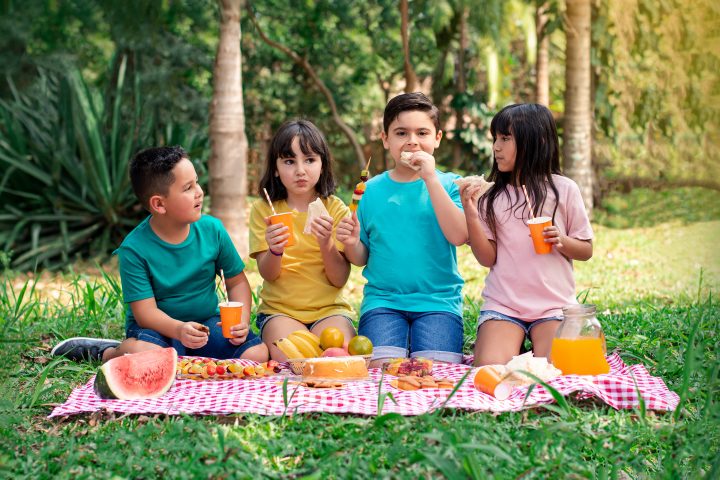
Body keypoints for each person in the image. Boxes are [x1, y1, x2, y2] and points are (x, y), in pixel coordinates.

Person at [52, 146, 268, 363]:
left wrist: (240, 321)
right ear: (159, 204)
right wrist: (179, 329)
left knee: (256, 354)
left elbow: (236, 282)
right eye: (188, 188)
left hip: (206, 326)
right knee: (140, 354)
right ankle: (108, 353)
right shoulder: (134, 249)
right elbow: (145, 313)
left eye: (197, 182)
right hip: (159, 330)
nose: (199, 191)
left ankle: (187, 357)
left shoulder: (213, 230)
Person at [337, 92, 468, 367]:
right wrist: (350, 243)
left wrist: (429, 176)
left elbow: (459, 235)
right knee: (382, 370)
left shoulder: (451, 185)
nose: (412, 141)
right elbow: (361, 257)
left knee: (434, 370)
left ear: (437, 138)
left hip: (438, 303)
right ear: (385, 139)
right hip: (384, 303)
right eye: (401, 133)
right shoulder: (369, 192)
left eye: (422, 132)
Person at [460, 103, 594, 367]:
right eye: (495, 139)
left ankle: (524, 349)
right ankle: (511, 343)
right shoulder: (490, 195)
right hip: (504, 305)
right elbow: (487, 258)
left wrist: (561, 240)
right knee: (489, 369)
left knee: (560, 370)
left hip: (553, 306)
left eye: (505, 138)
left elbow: (586, 250)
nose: (496, 147)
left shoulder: (564, 190)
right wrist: (470, 212)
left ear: (536, 141)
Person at [250, 120, 356, 360]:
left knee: (340, 357)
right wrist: (275, 251)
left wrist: (326, 242)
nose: (300, 170)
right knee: (294, 359)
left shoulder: (335, 208)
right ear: (276, 168)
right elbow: (268, 274)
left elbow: (339, 278)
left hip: (330, 310)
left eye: (309, 160)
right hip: (280, 312)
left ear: (322, 165)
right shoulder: (264, 210)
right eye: (289, 161)